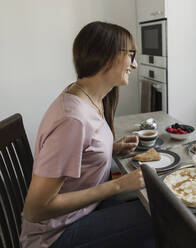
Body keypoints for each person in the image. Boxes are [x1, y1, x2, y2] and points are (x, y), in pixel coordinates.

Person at [20, 21, 155, 248]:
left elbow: (80, 149)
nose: (135, 64)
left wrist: (112, 148)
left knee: (155, 208)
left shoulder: (88, 97)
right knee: (163, 215)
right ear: (107, 56)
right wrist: (120, 185)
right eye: (131, 55)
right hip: (54, 236)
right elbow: (35, 209)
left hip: (82, 211)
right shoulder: (72, 119)